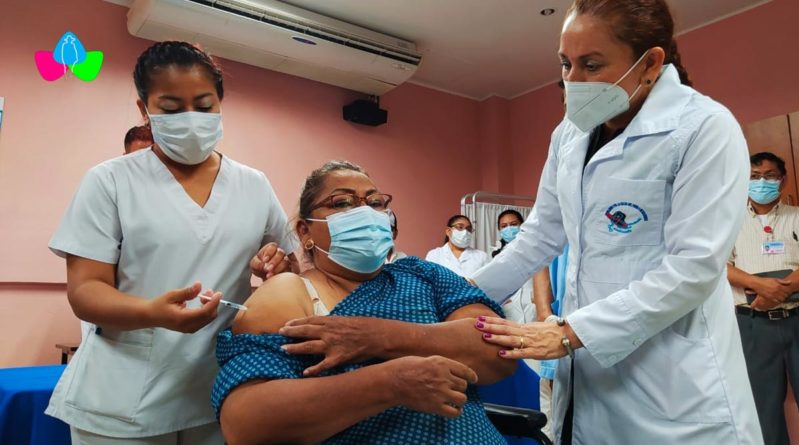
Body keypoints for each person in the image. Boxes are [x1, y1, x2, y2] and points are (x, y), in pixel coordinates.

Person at [470, 0, 761, 443]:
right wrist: (462, 294)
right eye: (566, 64)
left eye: (591, 65)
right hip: (588, 377)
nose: (573, 82)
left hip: (673, 386)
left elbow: (694, 268)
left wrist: (570, 333)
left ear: (650, 63)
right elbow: (540, 234)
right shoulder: (569, 135)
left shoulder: (704, 127)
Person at [46, 41, 297, 444]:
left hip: (219, 392)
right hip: (123, 400)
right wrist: (153, 312)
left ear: (220, 102)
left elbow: (289, 267)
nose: (191, 118)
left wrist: (276, 267)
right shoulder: (109, 181)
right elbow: (86, 291)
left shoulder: (254, 184)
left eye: (203, 104)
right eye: (171, 108)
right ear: (144, 109)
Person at [212, 160, 515, 444]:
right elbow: (245, 422)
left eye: (375, 203)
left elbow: (499, 349)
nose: (365, 213)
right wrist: (390, 383)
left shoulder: (422, 274)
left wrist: (378, 337)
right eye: (342, 203)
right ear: (305, 231)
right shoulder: (290, 293)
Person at [728, 151, 799, 445]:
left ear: (782, 182)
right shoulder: (729, 222)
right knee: (763, 409)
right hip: (752, 326)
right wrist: (761, 286)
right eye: (754, 177)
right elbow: (718, 267)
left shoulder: (797, 217)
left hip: (797, 318)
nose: (762, 182)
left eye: (769, 176)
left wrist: (780, 290)